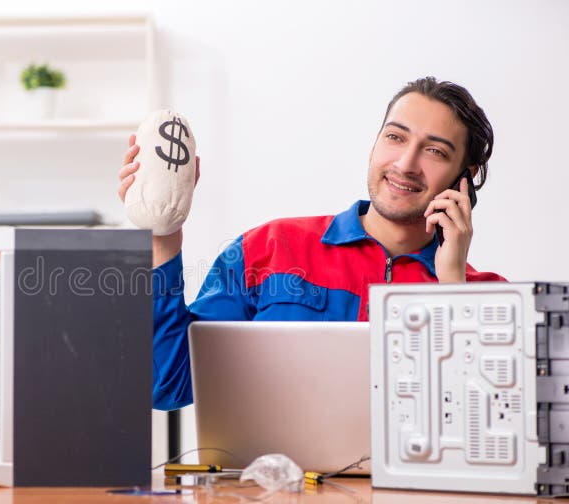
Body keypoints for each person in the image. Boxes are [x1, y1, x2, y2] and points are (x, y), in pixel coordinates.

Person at [117, 77, 505, 410]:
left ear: (463, 179)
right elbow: (166, 385)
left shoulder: (490, 299)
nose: (405, 162)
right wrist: (163, 237)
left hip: (410, 497)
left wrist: (453, 287)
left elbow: (484, 422)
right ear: (374, 145)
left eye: (435, 150)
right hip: (265, 493)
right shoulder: (267, 249)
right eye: (395, 137)